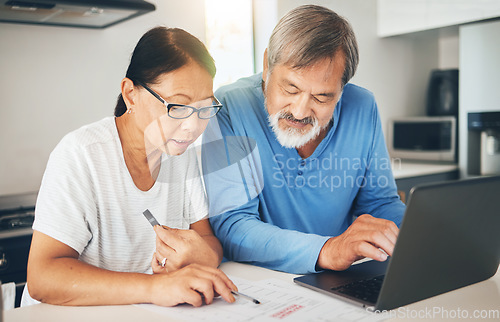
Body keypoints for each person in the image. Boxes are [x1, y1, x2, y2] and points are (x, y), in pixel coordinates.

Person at [22, 26, 237, 307]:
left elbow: (207, 239)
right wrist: (155, 287)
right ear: (130, 94)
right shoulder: (81, 154)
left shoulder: (181, 154)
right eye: (177, 107)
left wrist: (203, 256)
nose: (193, 126)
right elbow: (42, 277)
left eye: (205, 108)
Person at [202, 5, 406, 275]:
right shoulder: (228, 107)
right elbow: (234, 226)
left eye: (322, 97)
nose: (299, 111)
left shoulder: (363, 106)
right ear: (266, 66)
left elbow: (381, 204)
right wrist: (327, 250)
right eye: (290, 88)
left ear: (342, 89)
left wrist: (421, 236)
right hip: (260, 282)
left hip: (339, 277)